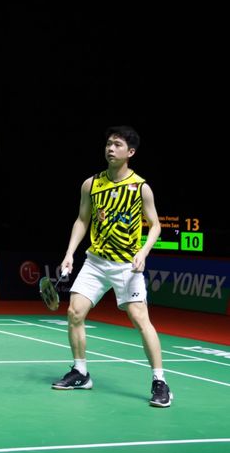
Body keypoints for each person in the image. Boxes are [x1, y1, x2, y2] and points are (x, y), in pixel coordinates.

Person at [52, 125, 172, 408]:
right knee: (74, 312)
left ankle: (160, 381)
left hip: (126, 266)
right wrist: (70, 253)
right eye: (108, 143)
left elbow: (155, 225)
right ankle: (81, 372)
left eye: (117, 144)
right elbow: (82, 220)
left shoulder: (140, 187)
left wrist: (143, 252)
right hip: (95, 262)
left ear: (130, 152)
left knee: (140, 320)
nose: (110, 148)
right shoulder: (91, 184)